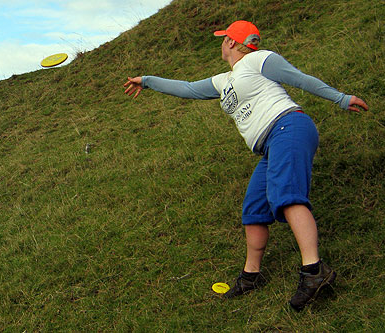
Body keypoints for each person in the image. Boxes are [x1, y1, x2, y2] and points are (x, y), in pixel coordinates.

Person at [122, 20, 369, 311]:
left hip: (288, 127)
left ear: (230, 42)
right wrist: (147, 80)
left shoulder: (259, 59)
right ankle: (251, 276)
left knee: (286, 196)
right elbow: (187, 88)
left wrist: (341, 99)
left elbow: (300, 79)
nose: (221, 44)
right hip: (269, 145)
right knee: (254, 209)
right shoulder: (223, 81)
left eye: (222, 39)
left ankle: (314, 271)